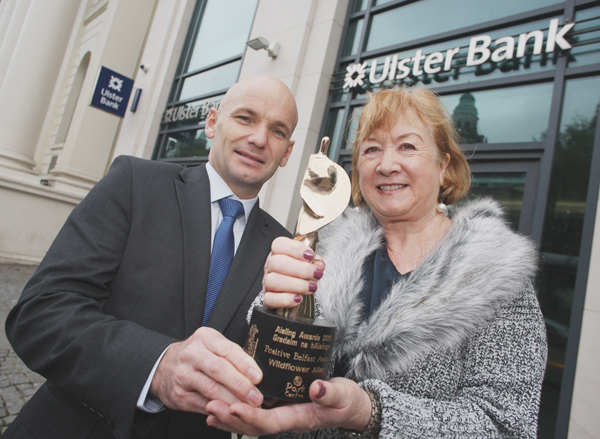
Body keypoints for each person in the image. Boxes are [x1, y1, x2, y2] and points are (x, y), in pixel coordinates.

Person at [205, 87, 548, 438]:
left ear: (444, 165)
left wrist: (370, 412)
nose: (386, 165)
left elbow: (506, 427)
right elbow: (265, 361)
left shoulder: (498, 275)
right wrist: (270, 308)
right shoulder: (325, 246)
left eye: (408, 146)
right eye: (371, 150)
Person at [4, 75, 298, 439]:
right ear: (212, 122)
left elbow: (274, 372)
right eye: (245, 118)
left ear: (287, 152)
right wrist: (156, 366)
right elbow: (40, 313)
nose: (259, 139)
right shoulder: (134, 184)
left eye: (278, 131)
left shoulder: (285, 250)